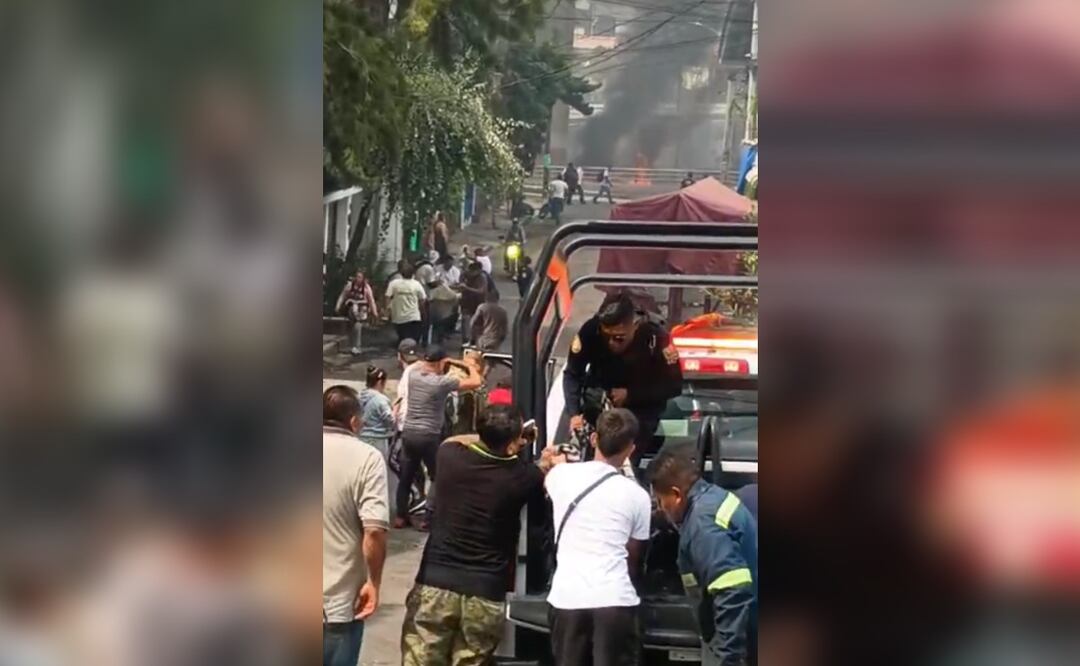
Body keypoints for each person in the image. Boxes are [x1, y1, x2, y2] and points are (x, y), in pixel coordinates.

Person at [400, 405, 566, 665]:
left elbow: (456, 439)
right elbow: (542, 475)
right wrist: (538, 456)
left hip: (435, 583)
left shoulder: (449, 456)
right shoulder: (524, 477)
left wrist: (508, 438)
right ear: (513, 444)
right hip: (485, 590)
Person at [545, 409, 651, 666]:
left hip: (567, 598)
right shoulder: (638, 496)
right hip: (615, 600)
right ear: (630, 449)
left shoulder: (560, 477)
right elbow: (634, 556)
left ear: (593, 439)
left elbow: (548, 472)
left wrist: (556, 459)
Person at [648, 450, 758, 666]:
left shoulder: (702, 524)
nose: (661, 509)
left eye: (661, 501)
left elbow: (732, 591)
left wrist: (728, 658)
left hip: (736, 642)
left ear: (677, 494)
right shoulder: (715, 496)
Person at [563, 294, 683, 469]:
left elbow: (673, 385)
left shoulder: (655, 338)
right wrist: (574, 414)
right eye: (607, 336)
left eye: (619, 338)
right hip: (597, 410)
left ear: (634, 325)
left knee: (619, 467)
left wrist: (631, 395)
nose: (612, 343)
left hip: (639, 415)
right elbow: (573, 374)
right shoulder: (591, 330)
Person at [322, 385, 390, 666]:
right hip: (336, 605)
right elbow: (373, 530)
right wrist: (374, 582)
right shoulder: (367, 458)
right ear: (353, 421)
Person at [396, 345, 484, 529]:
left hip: (409, 433)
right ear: (441, 362)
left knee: (406, 476)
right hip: (429, 435)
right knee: (437, 476)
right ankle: (429, 518)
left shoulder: (414, 376)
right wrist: (459, 362)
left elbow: (420, 363)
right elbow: (476, 381)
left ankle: (400, 516)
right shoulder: (442, 383)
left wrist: (442, 360)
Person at [335, 269, 378, 356]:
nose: (358, 279)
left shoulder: (366, 288)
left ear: (363, 278)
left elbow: (371, 300)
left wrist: (375, 312)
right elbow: (342, 296)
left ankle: (356, 347)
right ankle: (355, 346)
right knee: (354, 322)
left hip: (362, 309)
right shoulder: (349, 286)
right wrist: (338, 306)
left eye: (360, 277)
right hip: (351, 309)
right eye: (357, 277)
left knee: (357, 326)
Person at [358, 366, 395, 459]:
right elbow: (390, 421)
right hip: (378, 441)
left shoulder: (360, 396)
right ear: (379, 382)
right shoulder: (380, 400)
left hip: (361, 438)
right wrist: (396, 411)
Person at [386, 264, 426, 344]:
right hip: (413, 316)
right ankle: (409, 353)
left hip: (399, 317)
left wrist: (388, 310)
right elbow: (423, 299)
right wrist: (421, 310)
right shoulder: (416, 284)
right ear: (413, 274)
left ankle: (403, 353)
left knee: (403, 339)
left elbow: (387, 297)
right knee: (412, 340)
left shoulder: (394, 283)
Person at [456, 261, 487, 344]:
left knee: (477, 322)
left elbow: (481, 291)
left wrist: (467, 288)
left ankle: (475, 340)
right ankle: (465, 339)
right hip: (466, 301)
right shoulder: (464, 274)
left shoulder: (482, 277)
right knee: (465, 320)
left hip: (478, 302)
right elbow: (460, 283)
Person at [426, 279, 461, 344]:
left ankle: (435, 342)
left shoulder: (434, 292)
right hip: (445, 315)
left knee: (436, 329)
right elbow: (455, 297)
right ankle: (438, 342)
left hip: (436, 314)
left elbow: (429, 299)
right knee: (440, 329)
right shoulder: (448, 292)